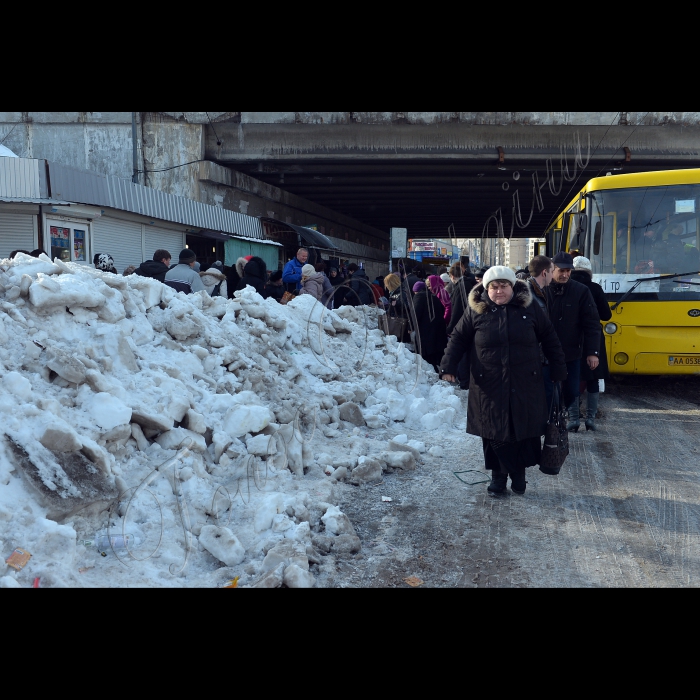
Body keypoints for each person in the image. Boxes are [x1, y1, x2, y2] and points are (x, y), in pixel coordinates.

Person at [440, 266, 566, 497]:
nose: (499, 291)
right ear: (486, 289)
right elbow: (458, 338)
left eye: (504, 286)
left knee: (522, 431)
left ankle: (519, 474)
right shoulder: (475, 311)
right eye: (494, 287)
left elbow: (550, 338)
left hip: (525, 382)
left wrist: (559, 369)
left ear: (513, 287)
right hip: (489, 385)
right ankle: (498, 477)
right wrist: (448, 367)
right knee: (494, 432)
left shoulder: (530, 308)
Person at [544, 251, 602, 432]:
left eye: (569, 271)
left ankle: (570, 417)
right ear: (552, 269)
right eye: (561, 270)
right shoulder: (542, 290)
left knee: (571, 389)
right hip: (544, 353)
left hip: (571, 352)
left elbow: (592, 324)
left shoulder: (580, 291)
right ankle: (549, 420)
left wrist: (593, 352)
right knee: (547, 390)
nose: (565, 274)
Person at [572, 256, 611, 431]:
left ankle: (573, 416)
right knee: (594, 376)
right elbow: (606, 315)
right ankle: (590, 418)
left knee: (572, 375)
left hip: (571, 337)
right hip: (593, 338)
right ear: (589, 271)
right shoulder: (595, 288)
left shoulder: (567, 288)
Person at [412, 280, 448, 371]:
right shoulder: (434, 296)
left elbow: (415, 314)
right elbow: (442, 310)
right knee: (436, 353)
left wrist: (411, 327)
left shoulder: (419, 297)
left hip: (426, 331)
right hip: (438, 329)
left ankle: (431, 372)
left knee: (427, 356)